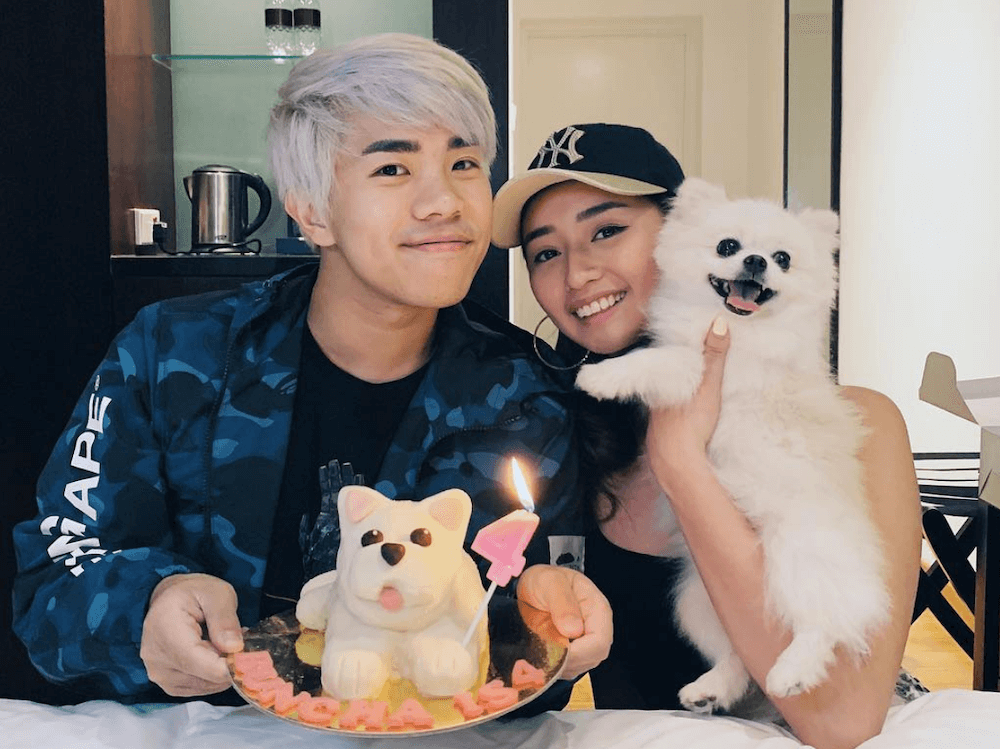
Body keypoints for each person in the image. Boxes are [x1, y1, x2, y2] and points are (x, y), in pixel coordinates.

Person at [11, 35, 611, 706]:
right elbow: (52, 580)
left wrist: (548, 624)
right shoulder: (173, 352)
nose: (444, 201)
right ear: (310, 208)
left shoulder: (529, 394)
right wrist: (149, 603)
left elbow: (528, 634)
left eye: (464, 163)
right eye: (392, 168)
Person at [491, 123, 924, 749]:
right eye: (545, 253)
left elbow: (843, 721)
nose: (577, 273)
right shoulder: (560, 440)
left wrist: (680, 460)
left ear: (682, 233)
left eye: (607, 231)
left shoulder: (858, 425)